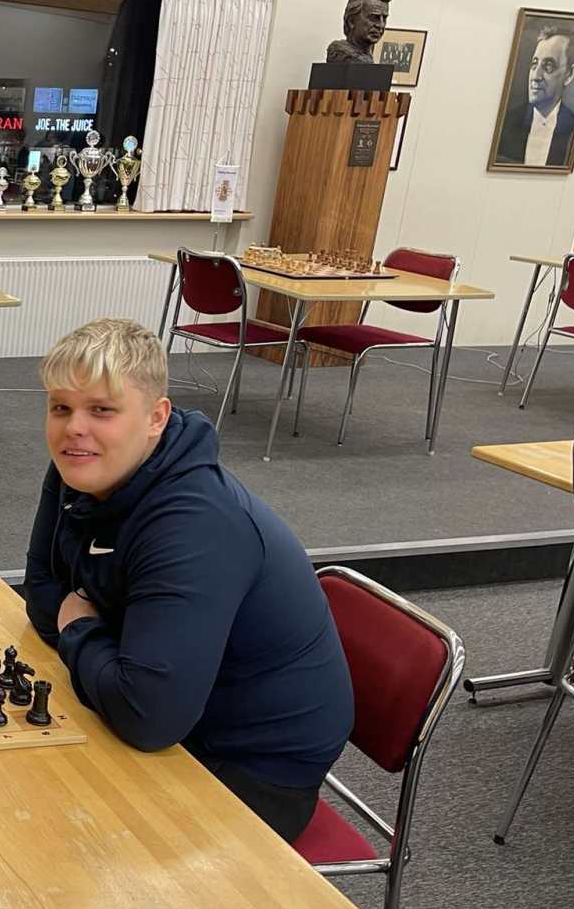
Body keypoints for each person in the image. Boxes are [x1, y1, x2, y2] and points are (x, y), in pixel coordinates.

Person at [22, 319, 353, 842]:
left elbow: (149, 717)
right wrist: (96, 641)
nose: (73, 429)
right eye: (60, 407)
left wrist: (80, 628)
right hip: (170, 714)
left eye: (102, 410)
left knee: (46, 838)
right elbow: (42, 598)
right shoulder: (83, 465)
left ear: (156, 417)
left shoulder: (195, 523)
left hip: (249, 772)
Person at [498, 25, 574, 168]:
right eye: (534, 64)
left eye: (548, 66)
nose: (536, 76)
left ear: (569, 75)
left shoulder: (572, 129)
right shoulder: (507, 122)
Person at [325, 0, 390, 63]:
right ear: (351, 21)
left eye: (384, 19)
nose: (381, 25)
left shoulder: (368, 58)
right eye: (374, 18)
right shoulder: (345, 56)